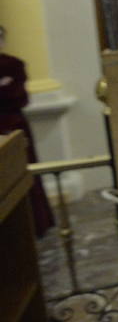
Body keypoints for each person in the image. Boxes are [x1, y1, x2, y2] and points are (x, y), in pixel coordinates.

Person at [0, 25, 53, 237]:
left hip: (15, 126)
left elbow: (20, 98)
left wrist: (6, 90)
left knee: (26, 174)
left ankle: (36, 224)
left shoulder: (13, 64)